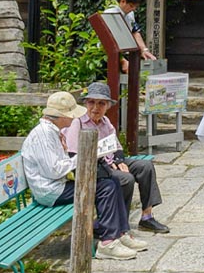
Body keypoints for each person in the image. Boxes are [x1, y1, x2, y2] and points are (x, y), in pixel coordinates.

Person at [20, 91, 139, 260]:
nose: (74, 118)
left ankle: (119, 232)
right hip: (50, 191)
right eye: (71, 115)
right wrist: (85, 155)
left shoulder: (52, 131)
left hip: (58, 184)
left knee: (111, 179)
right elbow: (54, 171)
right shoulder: (43, 135)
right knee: (106, 188)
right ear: (62, 116)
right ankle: (108, 242)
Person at [65, 82, 169, 234]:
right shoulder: (78, 123)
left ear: (107, 106)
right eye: (92, 102)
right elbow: (73, 155)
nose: (95, 108)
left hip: (110, 161)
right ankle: (119, 223)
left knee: (145, 166)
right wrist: (106, 163)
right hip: (95, 168)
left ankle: (147, 217)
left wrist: (119, 161)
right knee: (126, 179)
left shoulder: (105, 122)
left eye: (101, 103)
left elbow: (117, 147)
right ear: (86, 103)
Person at [106, 0, 156, 69]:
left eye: (136, 7)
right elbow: (107, 41)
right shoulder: (110, 14)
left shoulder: (130, 14)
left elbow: (135, 31)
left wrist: (144, 50)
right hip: (108, 57)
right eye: (131, 6)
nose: (133, 9)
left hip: (124, 54)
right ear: (123, 1)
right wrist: (122, 61)